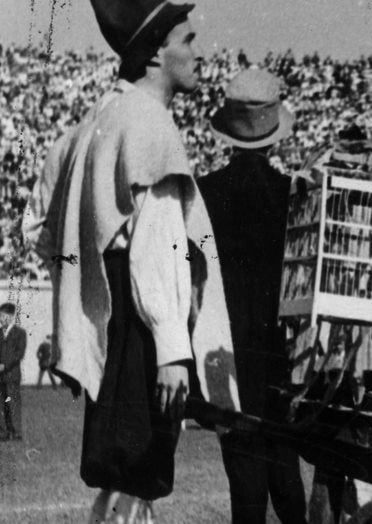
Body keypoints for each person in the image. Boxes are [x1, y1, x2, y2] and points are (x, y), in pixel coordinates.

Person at [28, 1, 237, 520]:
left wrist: (85, 299)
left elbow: (40, 224)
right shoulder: (149, 124)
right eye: (187, 41)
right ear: (153, 54)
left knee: (118, 479)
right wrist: (171, 348)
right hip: (146, 326)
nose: (198, 53)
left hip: (118, 316)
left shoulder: (95, 120)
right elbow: (157, 247)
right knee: (138, 473)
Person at [198, 69, 307, 524]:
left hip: (228, 347)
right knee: (285, 472)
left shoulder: (205, 193)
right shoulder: (294, 194)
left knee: (244, 480)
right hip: (279, 347)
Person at [0, 303, 27, 441]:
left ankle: (16, 432)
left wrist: (5, 365)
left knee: (13, 403)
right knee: (2, 405)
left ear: (11, 317)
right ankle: (4, 432)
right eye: (0, 315)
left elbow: (19, 354)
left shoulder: (20, 333)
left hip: (12, 375)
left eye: (4, 316)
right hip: (0, 378)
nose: (1, 318)